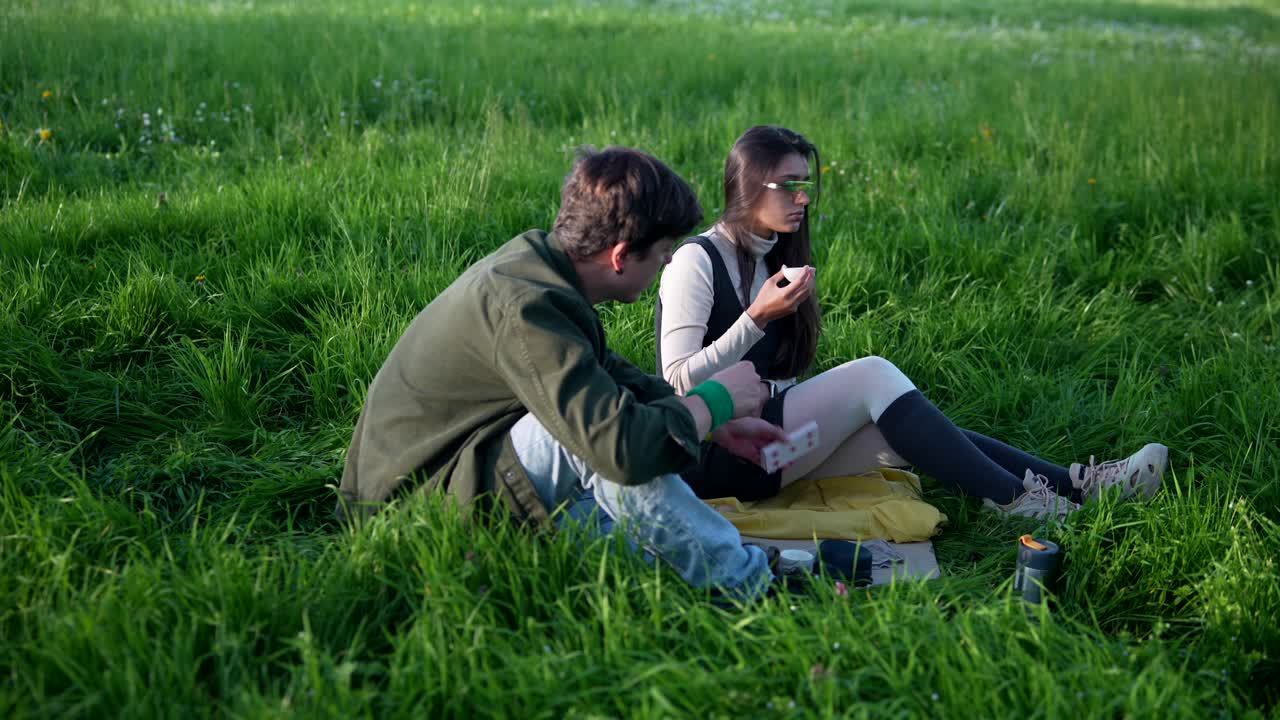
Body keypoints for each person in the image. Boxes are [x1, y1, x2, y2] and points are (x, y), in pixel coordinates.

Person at [339, 146, 793, 600]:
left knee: (655, 564)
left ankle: (748, 569)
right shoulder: (526, 306)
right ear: (620, 256)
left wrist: (714, 426)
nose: (667, 264)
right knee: (613, 439)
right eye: (662, 252)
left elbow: (613, 376)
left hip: (469, 467)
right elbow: (621, 447)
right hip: (411, 513)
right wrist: (711, 404)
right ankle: (752, 587)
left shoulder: (544, 270)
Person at [656, 125, 1168, 520]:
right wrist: (755, 317)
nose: (803, 198)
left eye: (805, 185)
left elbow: (777, 376)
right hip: (713, 459)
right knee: (875, 373)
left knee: (913, 433)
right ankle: (1019, 504)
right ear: (748, 185)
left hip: (769, 450)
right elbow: (677, 380)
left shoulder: (773, 259)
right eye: (788, 186)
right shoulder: (694, 262)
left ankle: (1079, 485)